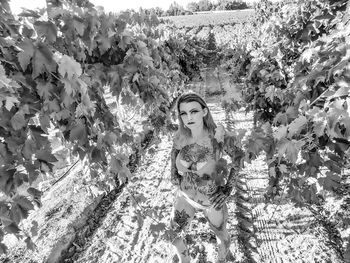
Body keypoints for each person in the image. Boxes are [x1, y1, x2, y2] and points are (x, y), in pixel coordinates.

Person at [169, 92, 244, 263]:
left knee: (222, 236)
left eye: (193, 111)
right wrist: (173, 172)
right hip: (185, 197)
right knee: (173, 235)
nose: (189, 117)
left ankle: (221, 260)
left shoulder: (217, 136)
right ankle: (184, 260)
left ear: (204, 112)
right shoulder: (182, 135)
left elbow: (238, 157)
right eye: (183, 113)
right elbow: (174, 151)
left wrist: (227, 189)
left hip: (211, 201)